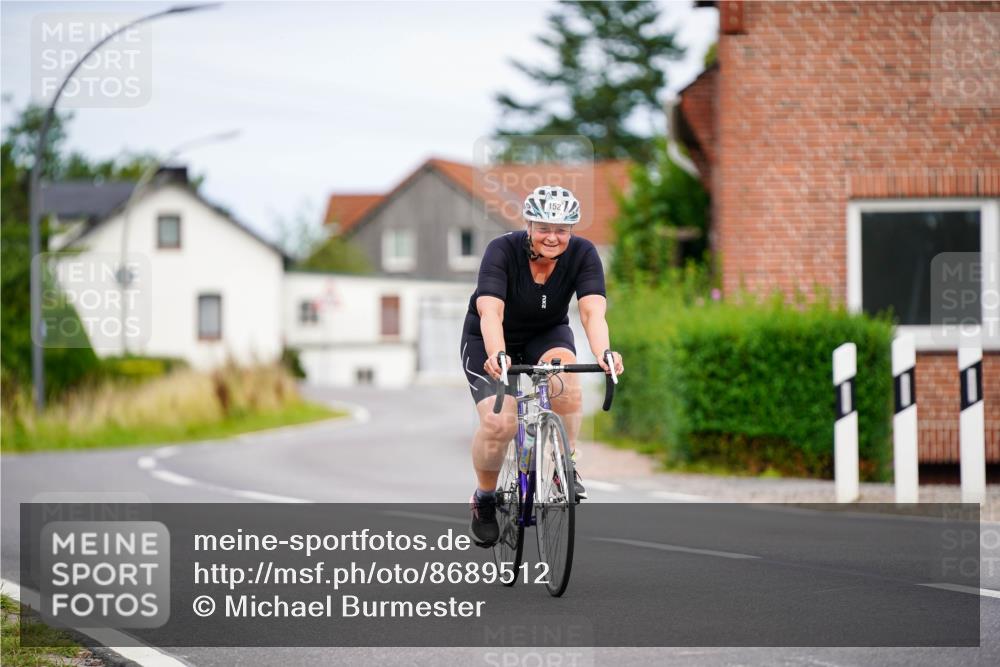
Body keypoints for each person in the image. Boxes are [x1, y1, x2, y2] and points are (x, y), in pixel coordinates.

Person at [460, 185, 624, 547]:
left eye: (562, 229)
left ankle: (562, 465)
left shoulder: (583, 254)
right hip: (490, 337)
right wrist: (497, 354)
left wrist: (605, 353)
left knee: (565, 381)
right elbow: (491, 311)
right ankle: (485, 499)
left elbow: (592, 311)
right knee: (499, 422)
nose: (553, 237)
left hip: (545, 334)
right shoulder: (501, 250)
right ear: (529, 226)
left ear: (571, 231)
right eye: (544, 228)